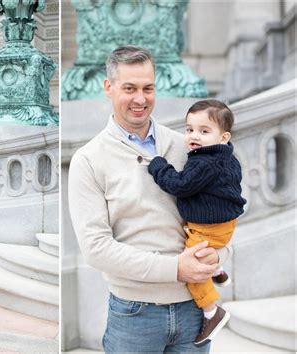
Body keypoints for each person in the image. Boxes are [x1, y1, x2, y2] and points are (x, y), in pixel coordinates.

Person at [68, 45, 230, 353]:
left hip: (195, 311)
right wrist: (175, 269)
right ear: (108, 87)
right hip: (134, 316)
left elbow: (223, 209)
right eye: (129, 88)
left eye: (148, 88)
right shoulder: (88, 160)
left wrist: (220, 256)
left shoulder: (189, 146)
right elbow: (96, 249)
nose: (140, 99)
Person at [148, 99, 246, 346]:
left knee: (192, 269)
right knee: (206, 253)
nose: (194, 136)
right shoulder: (226, 157)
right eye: (189, 129)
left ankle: (212, 312)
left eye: (204, 131)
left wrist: (159, 166)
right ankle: (219, 271)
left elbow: (180, 185)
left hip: (207, 228)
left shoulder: (204, 162)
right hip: (223, 225)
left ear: (223, 137)